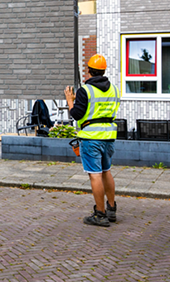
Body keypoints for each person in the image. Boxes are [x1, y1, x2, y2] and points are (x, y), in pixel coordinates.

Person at [64, 54, 121, 227]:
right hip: (109, 137)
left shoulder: (85, 90)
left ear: (88, 71)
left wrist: (70, 101)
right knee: (106, 171)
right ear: (103, 71)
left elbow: (76, 115)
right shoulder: (114, 89)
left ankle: (100, 214)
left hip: (91, 137)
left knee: (95, 174)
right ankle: (111, 209)